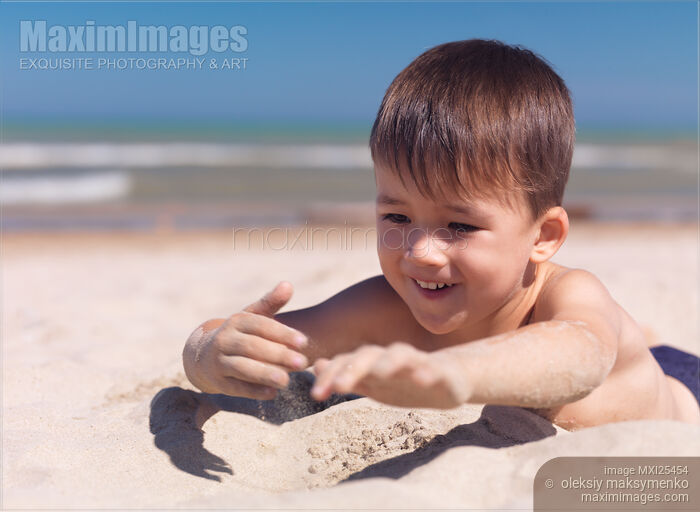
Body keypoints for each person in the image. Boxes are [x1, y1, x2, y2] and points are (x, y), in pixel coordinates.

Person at [182, 39, 700, 430]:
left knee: (627, 339)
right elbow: (251, 341)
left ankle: (650, 342)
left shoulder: (567, 295)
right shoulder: (384, 307)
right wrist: (209, 354)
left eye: (459, 226)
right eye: (397, 218)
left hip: (683, 393)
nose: (420, 253)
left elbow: (579, 357)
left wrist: (457, 374)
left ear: (543, 235)